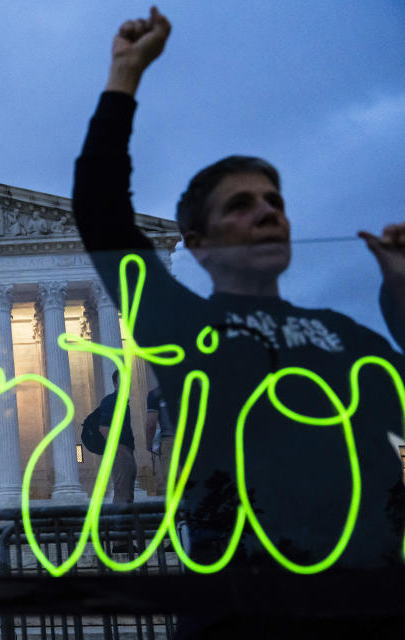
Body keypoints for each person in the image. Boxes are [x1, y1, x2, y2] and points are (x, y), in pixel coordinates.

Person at [72, 6, 405, 636]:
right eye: (242, 205)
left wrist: (400, 294)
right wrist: (123, 79)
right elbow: (102, 215)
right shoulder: (184, 329)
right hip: (244, 607)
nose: (268, 214)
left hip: (370, 600)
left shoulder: (344, 333)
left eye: (276, 203)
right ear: (197, 243)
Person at [97, 370, 135, 505]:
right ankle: (121, 524)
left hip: (127, 450)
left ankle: (126, 524)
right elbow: (103, 428)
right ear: (114, 383)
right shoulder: (111, 401)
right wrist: (118, 448)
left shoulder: (123, 402)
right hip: (121, 451)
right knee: (123, 494)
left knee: (127, 493)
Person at [146, 382, 175, 496]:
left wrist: (149, 445)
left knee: (172, 484)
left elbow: (151, 424)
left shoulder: (155, 394)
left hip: (169, 440)